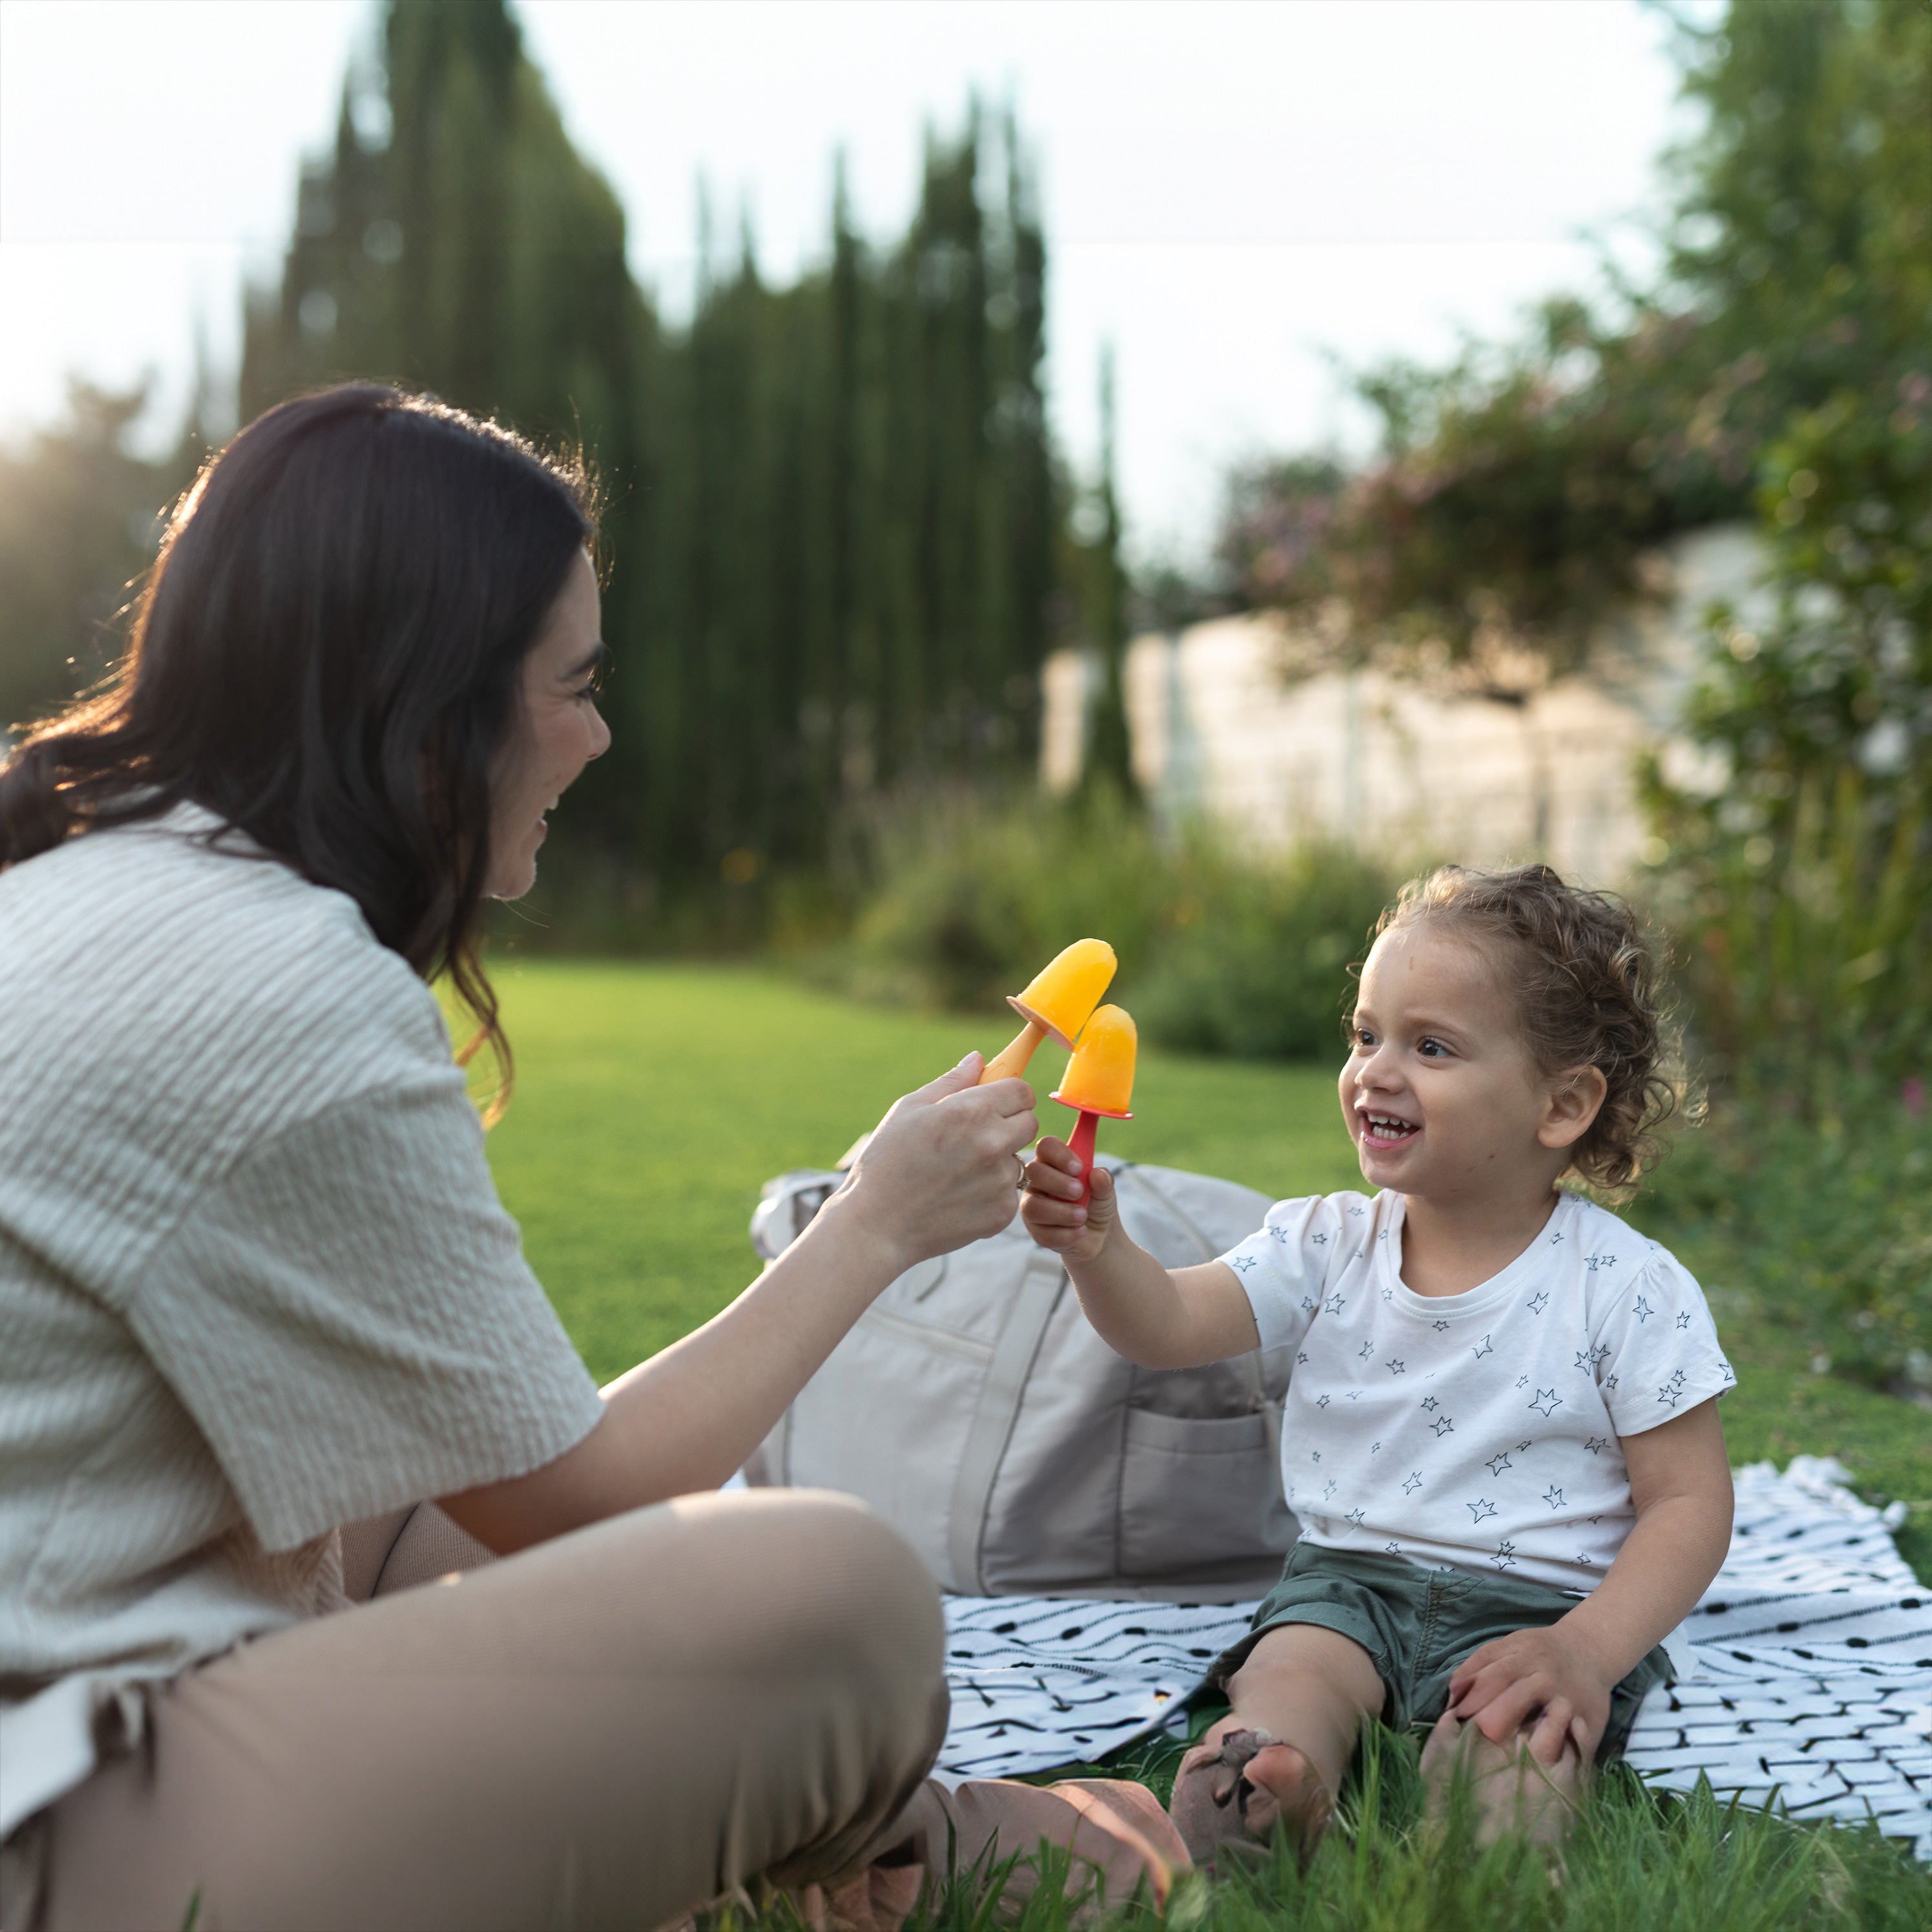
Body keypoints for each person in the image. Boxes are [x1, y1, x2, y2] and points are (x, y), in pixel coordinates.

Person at [0, 384, 1055, 1931]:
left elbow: (474, 1496)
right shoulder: (277, 980)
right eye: (571, 683)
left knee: (392, 1499)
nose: (597, 734)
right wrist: (876, 1222)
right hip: (49, 1808)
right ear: (431, 699)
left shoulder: (75, 869)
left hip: (79, 1659)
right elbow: (581, 1504)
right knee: (842, 1604)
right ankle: (899, 1840)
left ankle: (846, 1844)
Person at [1022, 864, 1737, 1860]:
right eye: (1365, 1035)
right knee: (1290, 1676)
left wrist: (1583, 1651)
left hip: (1541, 1606)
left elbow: (1689, 1502)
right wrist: (1100, 1249)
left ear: (1562, 1104)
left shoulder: (1624, 1285)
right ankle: (1263, 1781)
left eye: (1430, 1045)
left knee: (1512, 1744)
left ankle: (1481, 1850)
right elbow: (1168, 1325)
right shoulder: (1323, 1243)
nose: (1375, 1070)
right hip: (1345, 1583)